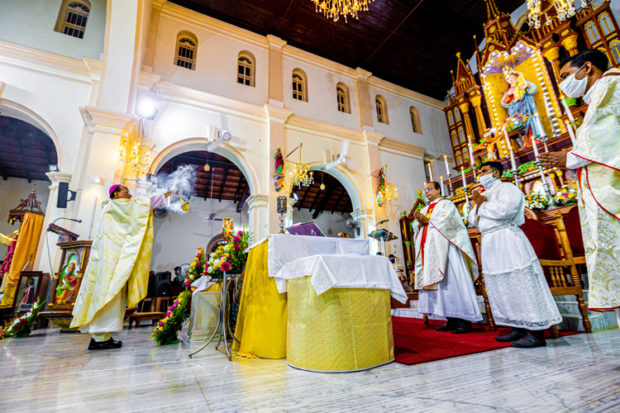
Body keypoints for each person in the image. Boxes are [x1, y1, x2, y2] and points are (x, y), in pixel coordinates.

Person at [540, 49, 619, 322]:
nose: (563, 83)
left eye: (565, 75)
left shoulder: (612, 85)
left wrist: (571, 157)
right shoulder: (597, 94)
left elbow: (609, 136)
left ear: (586, 67)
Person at [469, 162, 562, 348]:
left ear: (495, 174)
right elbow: (473, 220)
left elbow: (506, 211)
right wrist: (479, 204)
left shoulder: (507, 188)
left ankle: (536, 333)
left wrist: (482, 205)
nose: (480, 174)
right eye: (479, 172)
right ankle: (517, 326)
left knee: (520, 281)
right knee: (502, 284)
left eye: (484, 171)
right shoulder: (484, 195)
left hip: (507, 238)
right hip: (490, 242)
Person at [70, 184, 171, 350]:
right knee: (108, 295)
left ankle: (102, 337)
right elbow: (144, 206)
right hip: (111, 262)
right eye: (126, 191)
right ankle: (100, 338)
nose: (130, 194)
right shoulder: (116, 206)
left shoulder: (110, 207)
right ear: (116, 194)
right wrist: (167, 193)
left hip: (110, 260)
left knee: (110, 295)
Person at [413, 181, 481, 334]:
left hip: (446, 251)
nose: (427, 192)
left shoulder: (446, 205)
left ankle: (464, 321)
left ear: (438, 190)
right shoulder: (424, 208)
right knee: (441, 288)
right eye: (425, 190)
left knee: (453, 283)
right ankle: (450, 319)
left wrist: (427, 220)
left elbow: (449, 222)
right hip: (430, 253)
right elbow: (417, 227)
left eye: (430, 189)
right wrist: (417, 223)